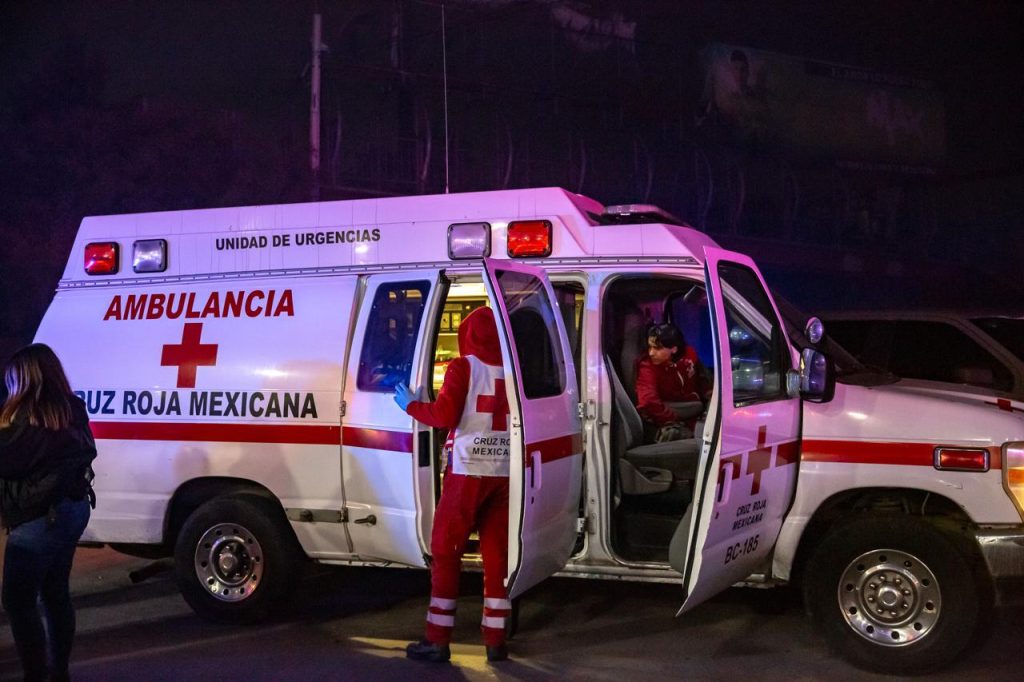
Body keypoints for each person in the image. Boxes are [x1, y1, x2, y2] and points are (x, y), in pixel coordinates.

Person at [393, 306, 511, 663]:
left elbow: (444, 416)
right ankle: (496, 640)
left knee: (446, 551)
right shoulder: (516, 372)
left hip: (467, 471)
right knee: (497, 557)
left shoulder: (463, 367)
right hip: (505, 472)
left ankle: (438, 638)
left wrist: (411, 405)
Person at [0, 344, 96, 682]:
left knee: (18, 602)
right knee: (55, 593)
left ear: (25, 379)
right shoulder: (71, 409)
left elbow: (7, 462)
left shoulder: (27, 418)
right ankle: (59, 673)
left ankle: (36, 676)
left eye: (12, 380)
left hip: (38, 518)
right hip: (71, 509)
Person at [635, 323, 711, 442]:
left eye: (657, 348)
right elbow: (648, 402)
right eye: (650, 347)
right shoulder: (647, 367)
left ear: (674, 349)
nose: (651, 353)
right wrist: (673, 420)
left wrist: (709, 398)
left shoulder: (689, 354)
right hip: (667, 416)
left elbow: (703, 380)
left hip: (694, 409)